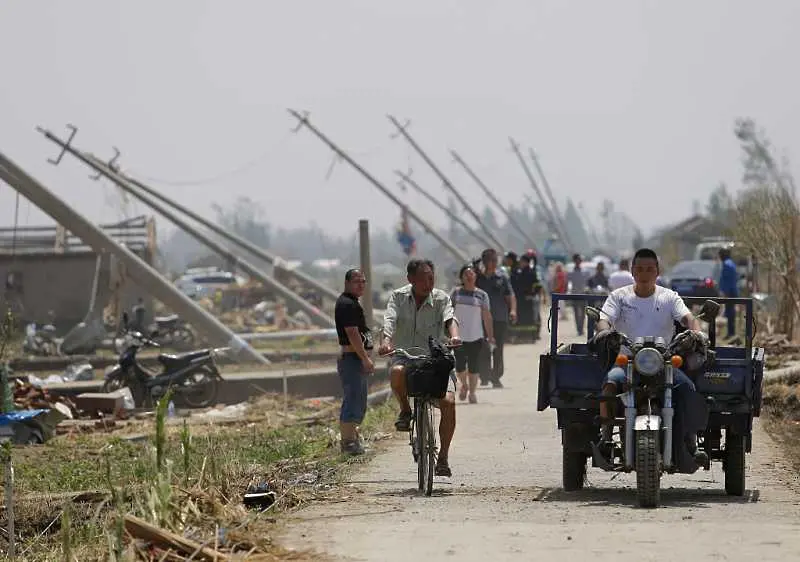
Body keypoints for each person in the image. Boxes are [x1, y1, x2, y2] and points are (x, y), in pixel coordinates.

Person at [593, 248, 709, 465]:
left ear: (657, 271)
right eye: (639, 269)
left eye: (649, 269)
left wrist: (696, 330)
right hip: (627, 361)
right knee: (609, 384)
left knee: (687, 388)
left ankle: (691, 442)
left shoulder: (669, 297)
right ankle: (606, 436)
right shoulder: (619, 297)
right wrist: (604, 330)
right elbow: (604, 318)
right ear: (632, 271)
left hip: (664, 362)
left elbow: (687, 317)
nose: (644, 274)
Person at [379, 259, 461, 476]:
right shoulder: (398, 297)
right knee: (396, 372)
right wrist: (386, 341)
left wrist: (454, 336)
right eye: (423, 278)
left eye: (431, 277)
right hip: (407, 358)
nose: (429, 282)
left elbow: (450, 319)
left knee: (449, 403)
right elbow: (389, 320)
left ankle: (442, 458)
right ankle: (405, 410)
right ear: (410, 279)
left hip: (435, 360)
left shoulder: (442, 298)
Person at [334, 269, 374, 456]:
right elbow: (352, 333)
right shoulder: (347, 304)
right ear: (347, 283)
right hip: (352, 359)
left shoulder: (353, 303)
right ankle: (348, 442)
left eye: (363, 281)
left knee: (359, 400)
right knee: (352, 400)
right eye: (357, 281)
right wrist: (365, 358)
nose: (361, 285)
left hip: (356, 358)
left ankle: (353, 438)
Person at [450, 263, 494, 404]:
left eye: (471, 274)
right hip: (458, 336)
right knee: (460, 364)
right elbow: (448, 313)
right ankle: (464, 385)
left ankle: (473, 393)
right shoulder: (456, 293)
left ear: (475, 277)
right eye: (466, 275)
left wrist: (490, 336)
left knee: (474, 365)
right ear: (462, 277)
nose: (469, 277)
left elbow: (487, 316)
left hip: (476, 336)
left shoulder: (482, 295)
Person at [476, 248, 517, 388]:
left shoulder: (502, 277)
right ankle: (484, 376)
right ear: (484, 262)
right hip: (481, 319)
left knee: (498, 348)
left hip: (499, 318)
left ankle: (496, 377)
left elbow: (510, 296)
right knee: (483, 348)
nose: (493, 263)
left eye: (495, 260)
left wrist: (513, 311)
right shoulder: (478, 278)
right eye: (490, 260)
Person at [718, 247, 739, 338]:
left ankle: (731, 333)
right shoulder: (731, 263)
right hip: (733, 291)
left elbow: (727, 280)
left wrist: (725, 293)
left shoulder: (726, 265)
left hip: (729, 292)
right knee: (731, 312)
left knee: (730, 313)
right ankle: (731, 332)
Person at [567, 254, 587, 335]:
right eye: (577, 260)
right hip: (574, 294)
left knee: (583, 313)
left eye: (580, 260)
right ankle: (578, 329)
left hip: (583, 294)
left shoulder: (584, 271)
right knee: (576, 313)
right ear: (574, 261)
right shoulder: (571, 272)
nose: (579, 261)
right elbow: (569, 283)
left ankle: (581, 328)